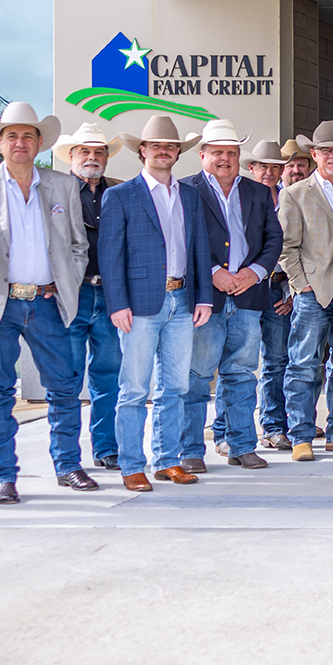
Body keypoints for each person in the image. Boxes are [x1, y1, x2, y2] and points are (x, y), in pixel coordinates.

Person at [0, 102, 91, 503]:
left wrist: (65, 282)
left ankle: (68, 466)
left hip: (47, 303)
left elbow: (78, 244)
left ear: (39, 143)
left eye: (27, 135)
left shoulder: (62, 185)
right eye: (12, 135)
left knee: (65, 387)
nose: (20, 142)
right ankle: (2, 476)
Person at [100, 115, 214, 491]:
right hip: (138, 304)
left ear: (178, 152)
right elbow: (110, 254)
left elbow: (199, 249)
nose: (164, 150)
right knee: (133, 388)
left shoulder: (191, 195)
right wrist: (117, 304)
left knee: (175, 387)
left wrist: (204, 297)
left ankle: (168, 460)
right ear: (142, 151)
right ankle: (132, 465)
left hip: (183, 300)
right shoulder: (120, 195)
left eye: (171, 145)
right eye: (156, 145)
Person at [179, 120, 281, 473]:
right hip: (207, 299)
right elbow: (182, 241)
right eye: (218, 152)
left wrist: (254, 273)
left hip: (249, 297)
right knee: (196, 376)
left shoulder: (256, 191)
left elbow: (273, 240)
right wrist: (212, 273)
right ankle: (190, 450)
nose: (225, 158)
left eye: (232, 153)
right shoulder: (185, 190)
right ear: (203, 155)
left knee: (241, 374)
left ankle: (242, 446)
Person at [279, 121, 333, 460]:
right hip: (314, 291)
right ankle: (300, 436)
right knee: (303, 365)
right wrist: (302, 285)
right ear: (314, 154)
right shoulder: (295, 194)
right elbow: (287, 248)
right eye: (326, 150)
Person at [55, 122, 125, 471]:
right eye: (85, 151)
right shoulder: (55, 191)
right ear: (71, 156)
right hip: (73, 293)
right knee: (66, 378)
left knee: (108, 377)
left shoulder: (120, 191)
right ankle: (66, 458)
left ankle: (106, 449)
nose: (92, 157)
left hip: (111, 295)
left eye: (99, 152)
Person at [243, 139, 293, 452]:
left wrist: (291, 290)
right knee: (239, 360)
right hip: (247, 285)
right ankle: (230, 430)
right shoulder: (242, 199)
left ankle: (274, 427)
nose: (270, 172)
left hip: (278, 285)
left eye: (276, 167)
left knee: (278, 360)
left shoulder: (291, 199)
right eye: (264, 166)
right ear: (252, 168)